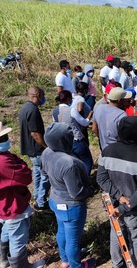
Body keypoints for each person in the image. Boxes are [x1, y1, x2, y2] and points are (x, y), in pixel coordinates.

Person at [97, 116, 137, 268]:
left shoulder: (106, 151)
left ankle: (117, 264)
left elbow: (101, 178)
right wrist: (124, 204)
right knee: (136, 238)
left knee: (116, 233)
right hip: (134, 208)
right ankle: (136, 264)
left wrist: (117, 196)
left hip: (112, 205)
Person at [42, 122, 96, 268]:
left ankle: (65, 260)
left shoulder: (47, 152)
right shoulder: (69, 163)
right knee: (73, 240)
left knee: (62, 231)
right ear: (65, 140)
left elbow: (44, 174)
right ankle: (75, 265)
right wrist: (90, 191)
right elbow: (76, 193)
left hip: (55, 199)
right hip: (70, 206)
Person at [0, 122, 45, 268]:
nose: (7, 139)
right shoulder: (4, 161)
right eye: (3, 137)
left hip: (3, 206)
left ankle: (4, 260)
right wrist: (21, 164)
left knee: (6, 231)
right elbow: (26, 176)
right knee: (18, 239)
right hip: (13, 205)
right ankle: (21, 266)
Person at [19, 87, 50, 210]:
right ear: (37, 95)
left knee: (37, 172)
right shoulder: (33, 110)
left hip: (29, 149)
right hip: (37, 149)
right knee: (45, 175)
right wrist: (45, 146)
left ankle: (37, 195)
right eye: (42, 95)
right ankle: (41, 202)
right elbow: (35, 133)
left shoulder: (24, 108)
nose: (44, 98)